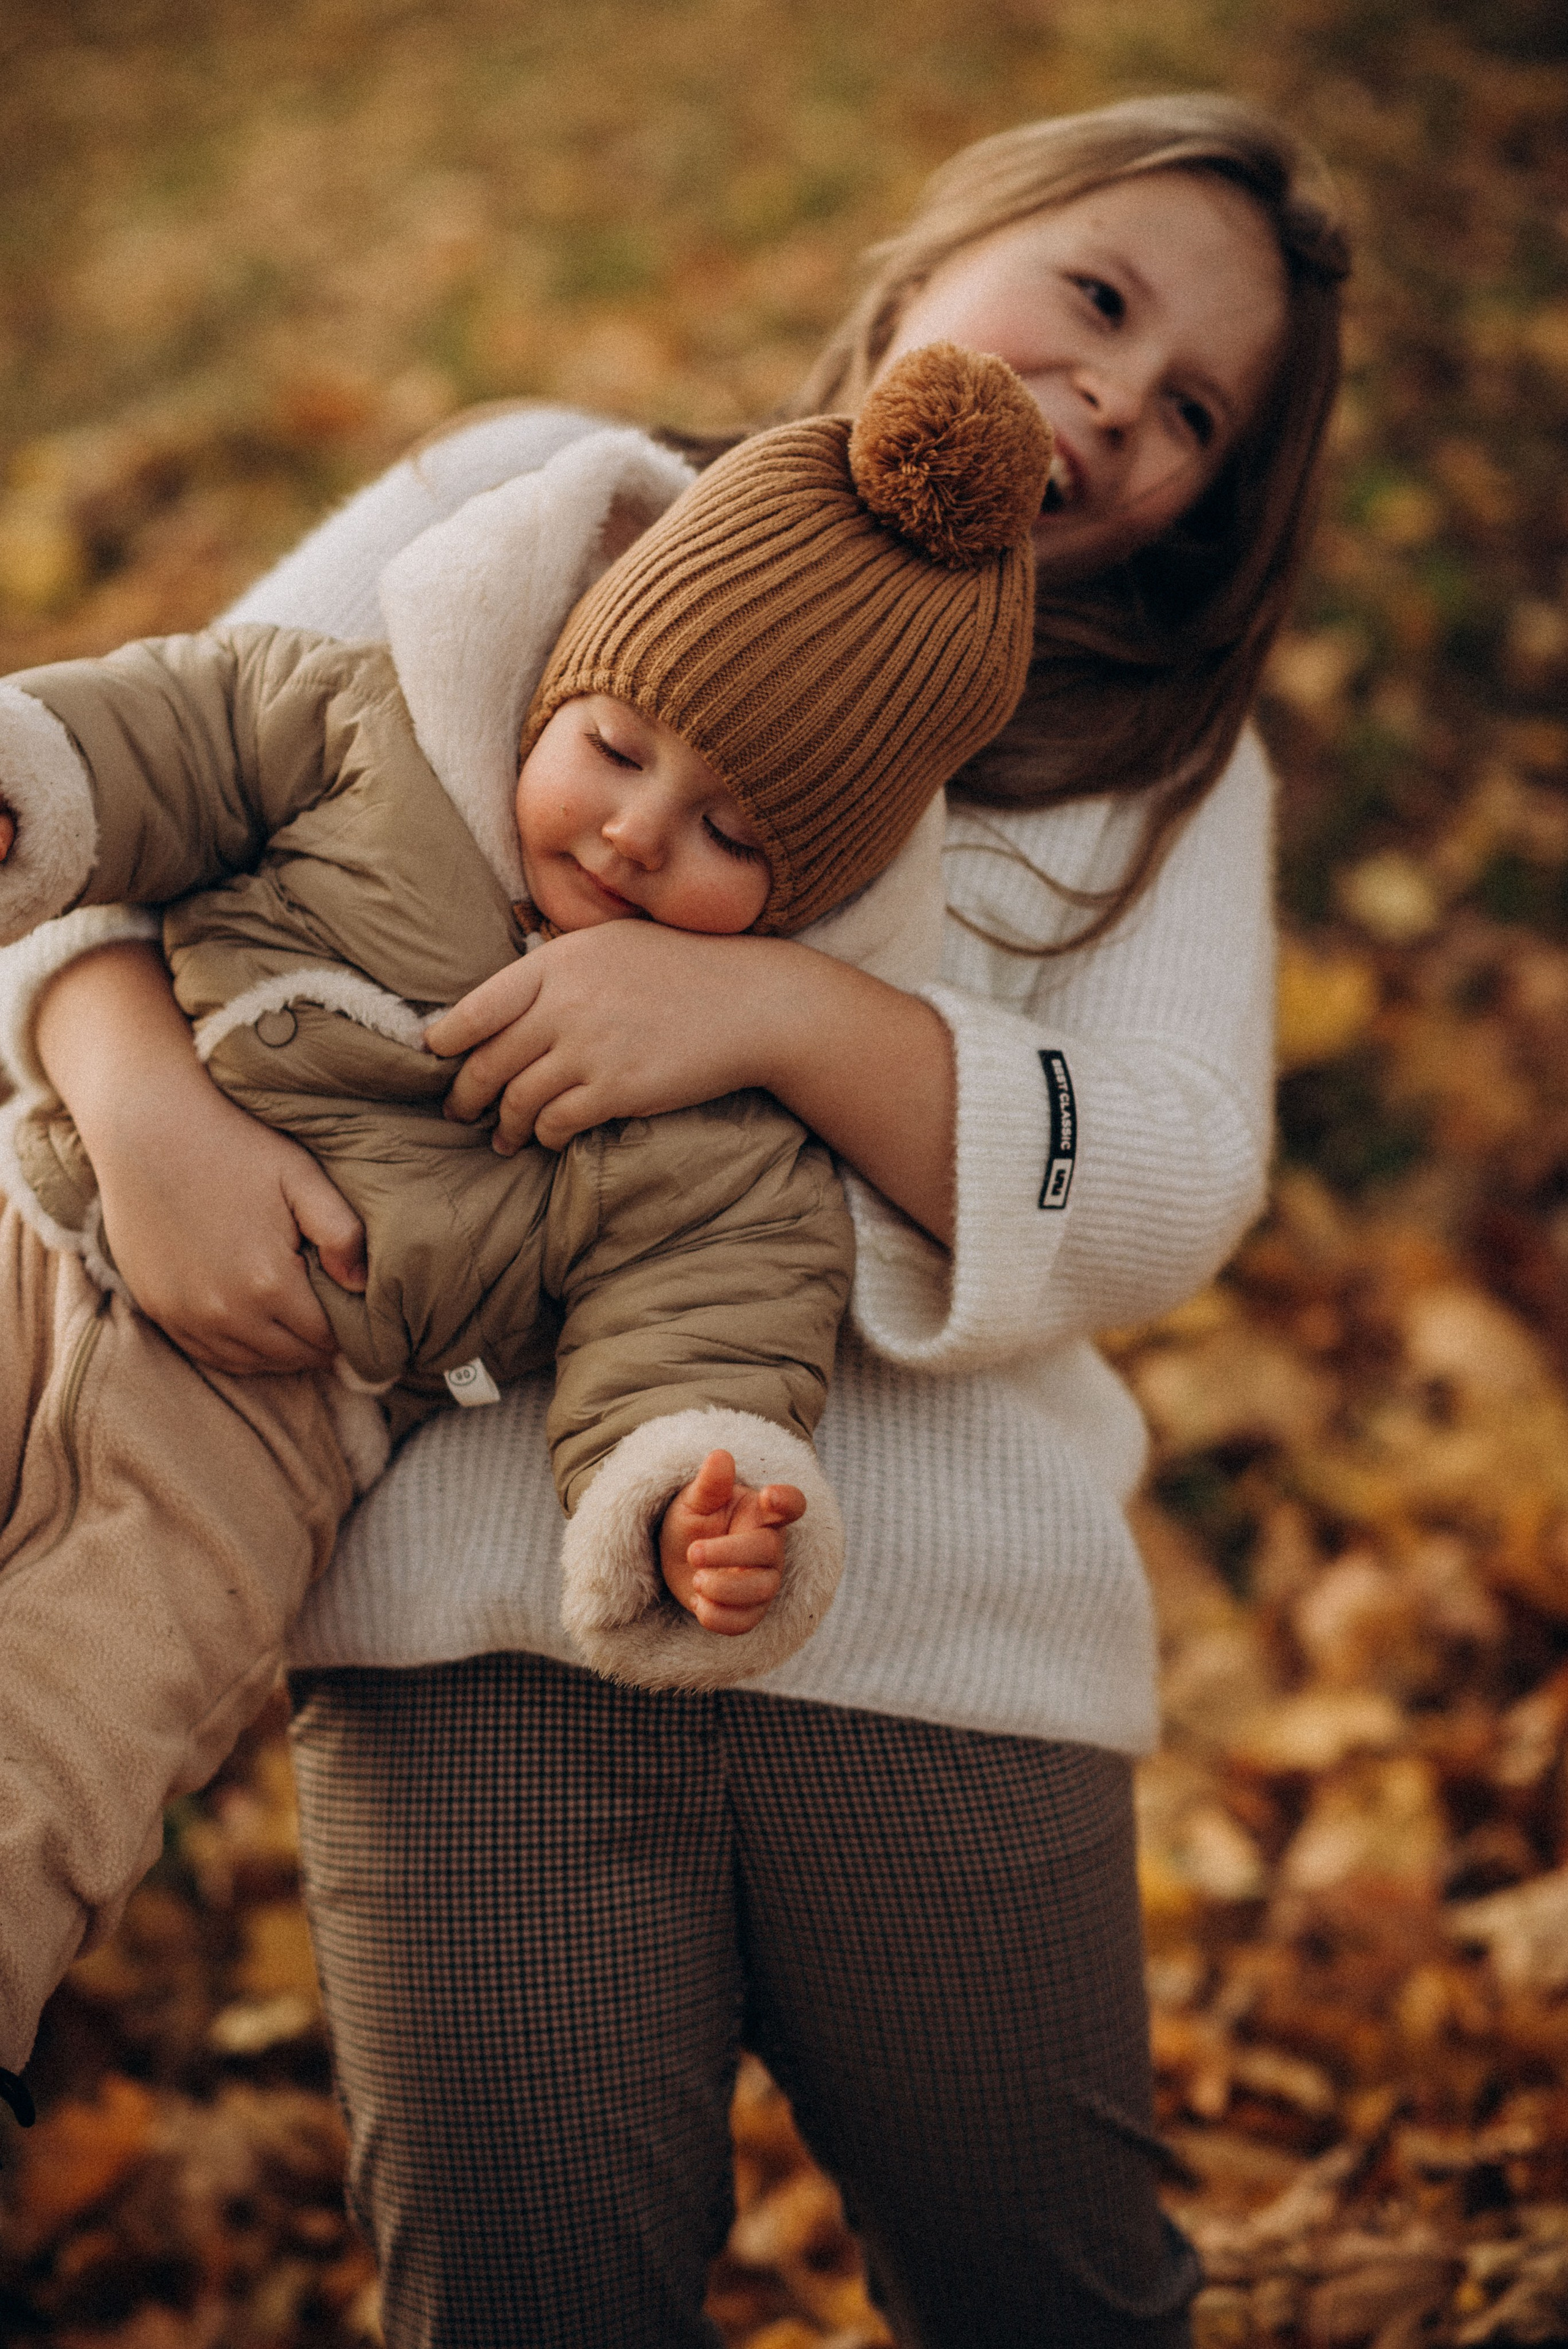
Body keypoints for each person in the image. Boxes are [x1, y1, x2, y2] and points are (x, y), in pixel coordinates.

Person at [1, 91, 1348, 2349]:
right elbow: (121, 793)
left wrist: (774, 1014)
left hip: (946, 1661)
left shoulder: (1161, 782)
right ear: (944, 261)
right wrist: (138, 1097)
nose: (1115, 397)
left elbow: (1171, 1171)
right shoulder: (538, 516)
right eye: (1097, 297)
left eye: (1193, 408)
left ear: (1212, 501)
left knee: (1058, 2297)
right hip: (463, 1621)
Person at [0, 345, 1051, 2077]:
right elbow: (165, 730)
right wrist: (40, 785)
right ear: (562, 671)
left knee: (88, 1697)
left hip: (275, 1401)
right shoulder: (359, 725)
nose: (636, 832)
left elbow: (700, 1324)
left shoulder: (719, 1130)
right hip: (45, 1225)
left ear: (818, 890)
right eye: (618, 745)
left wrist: (692, 1498)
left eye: (728, 829)